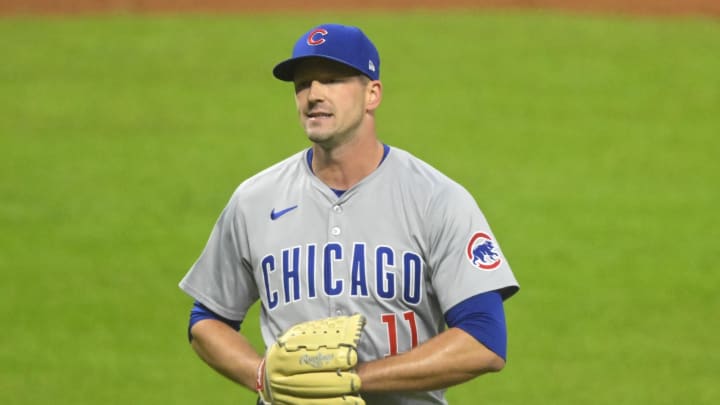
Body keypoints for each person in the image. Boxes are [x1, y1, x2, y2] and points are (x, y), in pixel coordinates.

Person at [179, 23, 519, 404]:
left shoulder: (436, 199)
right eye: (303, 84)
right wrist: (261, 375)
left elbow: (484, 340)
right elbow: (207, 319)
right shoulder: (254, 199)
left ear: (372, 93)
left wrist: (355, 379)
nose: (313, 95)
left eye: (332, 80)